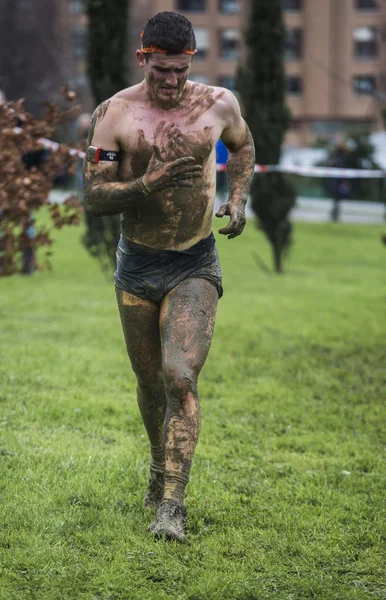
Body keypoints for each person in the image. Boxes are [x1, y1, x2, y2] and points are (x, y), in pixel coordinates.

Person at [83, 11, 255, 541]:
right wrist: (146, 184)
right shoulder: (115, 113)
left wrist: (238, 197)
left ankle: (172, 506)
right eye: (162, 70)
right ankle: (158, 468)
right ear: (144, 58)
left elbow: (243, 146)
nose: (173, 81)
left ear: (190, 62)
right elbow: (92, 195)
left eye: (181, 70)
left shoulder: (219, 104)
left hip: (193, 260)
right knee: (148, 380)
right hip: (136, 264)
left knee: (180, 376)